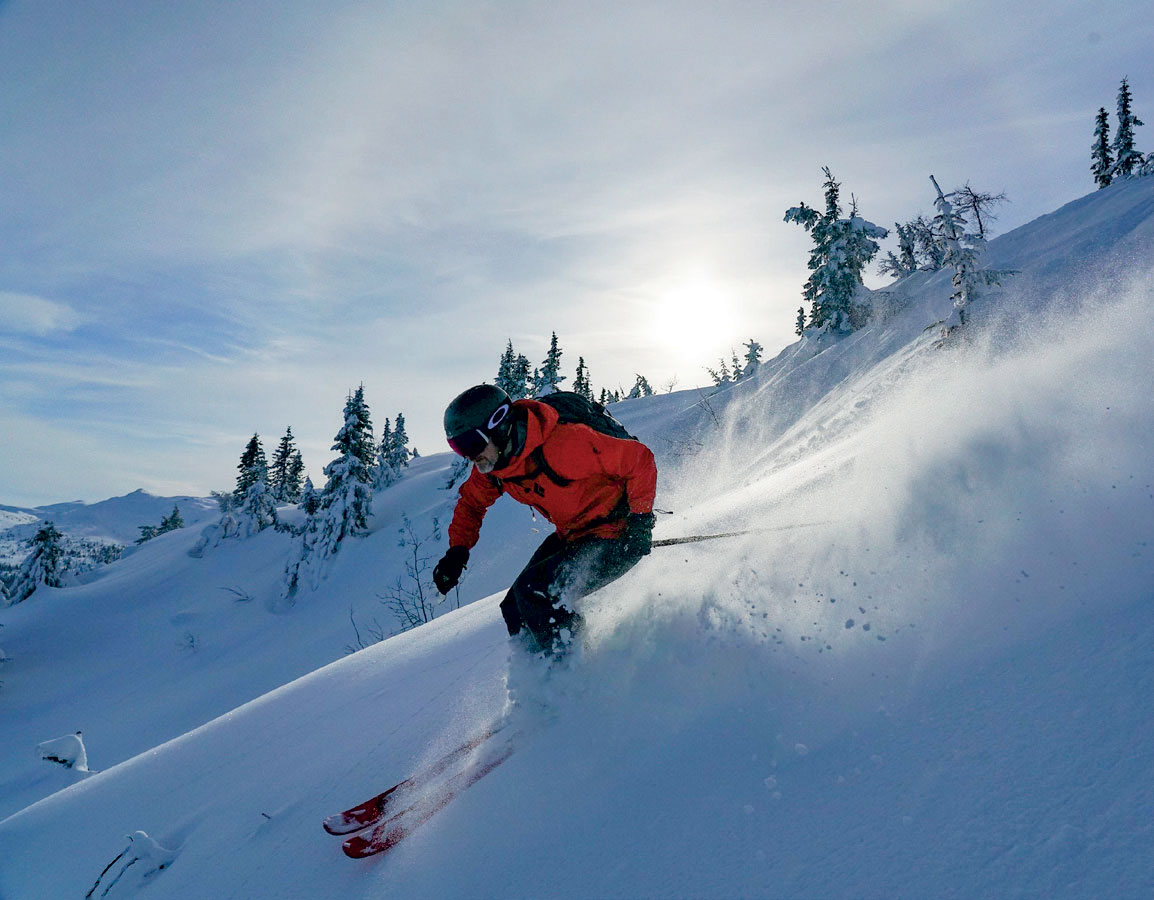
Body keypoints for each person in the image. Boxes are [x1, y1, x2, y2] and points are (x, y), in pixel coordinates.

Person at [433, 384, 658, 653]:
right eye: (459, 448)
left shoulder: (565, 444)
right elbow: (470, 504)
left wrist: (641, 523)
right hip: (574, 535)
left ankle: (573, 674)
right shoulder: (496, 466)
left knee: (536, 592)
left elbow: (639, 460)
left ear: (500, 426)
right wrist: (457, 552)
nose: (470, 455)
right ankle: (539, 675)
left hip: (617, 535)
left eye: (472, 443)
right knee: (514, 607)